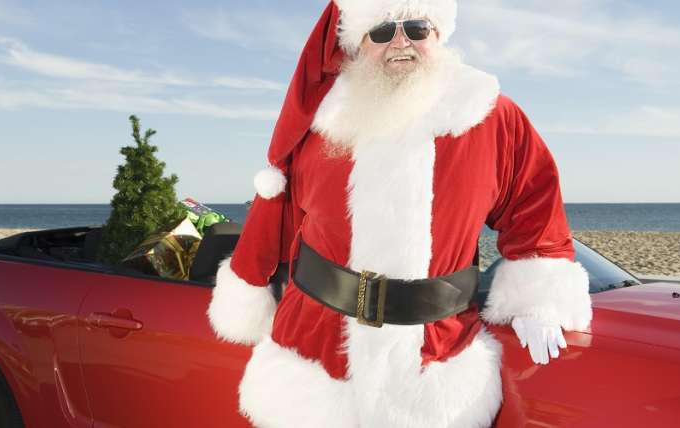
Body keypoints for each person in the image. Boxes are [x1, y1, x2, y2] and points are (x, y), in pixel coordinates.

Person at [207, 1, 592, 427]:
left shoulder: (490, 118)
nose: (401, 42)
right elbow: (276, 216)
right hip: (315, 359)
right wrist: (248, 285)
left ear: (438, 35)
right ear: (358, 44)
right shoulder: (323, 124)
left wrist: (538, 301)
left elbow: (534, 207)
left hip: (435, 362)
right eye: (382, 32)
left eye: (416, 27)